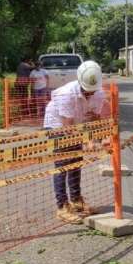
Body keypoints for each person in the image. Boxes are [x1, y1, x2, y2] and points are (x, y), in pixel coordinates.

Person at [43, 60, 109, 224]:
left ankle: (76, 200)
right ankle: (62, 206)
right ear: (80, 81)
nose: (90, 95)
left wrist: (96, 139)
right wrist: (85, 141)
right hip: (57, 125)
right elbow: (67, 126)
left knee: (76, 162)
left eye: (92, 92)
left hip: (76, 124)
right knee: (63, 165)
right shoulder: (66, 94)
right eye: (87, 91)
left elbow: (95, 118)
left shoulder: (99, 93)